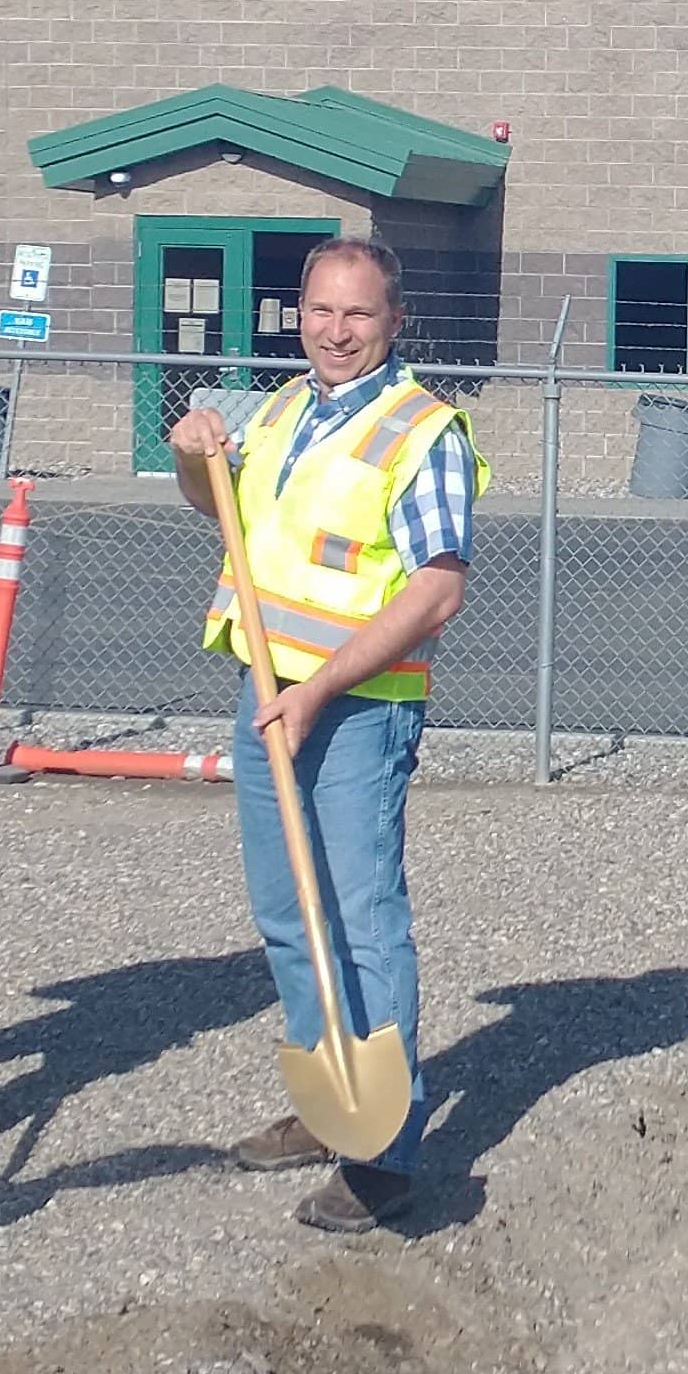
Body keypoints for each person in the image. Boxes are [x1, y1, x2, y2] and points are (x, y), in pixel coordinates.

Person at [170, 237, 484, 1234]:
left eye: (357, 314)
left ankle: (384, 1149)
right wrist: (192, 461)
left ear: (393, 321)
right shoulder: (281, 409)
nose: (335, 330)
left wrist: (320, 689)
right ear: (296, 313)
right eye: (318, 311)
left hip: (358, 706)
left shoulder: (419, 429)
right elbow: (225, 516)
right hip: (270, 694)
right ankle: (327, 1093)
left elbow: (438, 586)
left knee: (358, 916)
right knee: (283, 910)